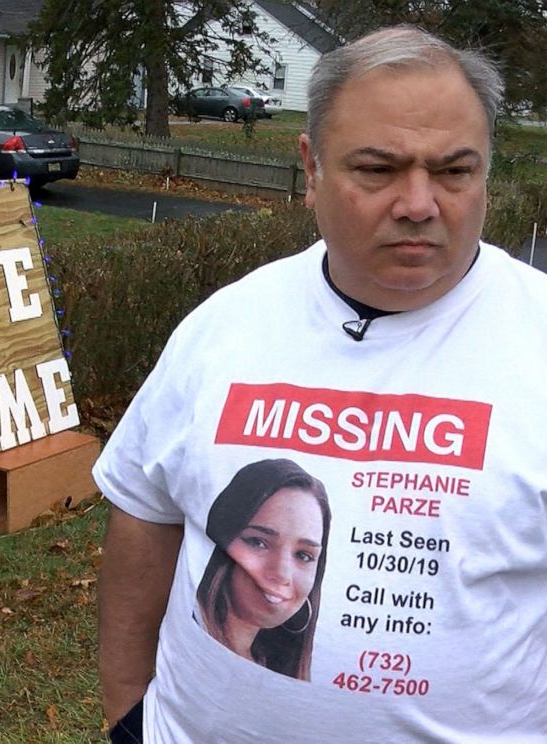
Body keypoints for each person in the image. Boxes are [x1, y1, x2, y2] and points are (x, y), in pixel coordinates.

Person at [93, 24, 547, 743]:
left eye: (456, 171)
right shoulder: (226, 325)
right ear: (310, 169)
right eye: (378, 169)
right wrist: (127, 713)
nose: (420, 204)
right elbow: (145, 510)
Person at [195, 459, 331, 681]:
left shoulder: (274, 664)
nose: (282, 573)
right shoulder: (194, 647)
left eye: (303, 555)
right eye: (259, 542)